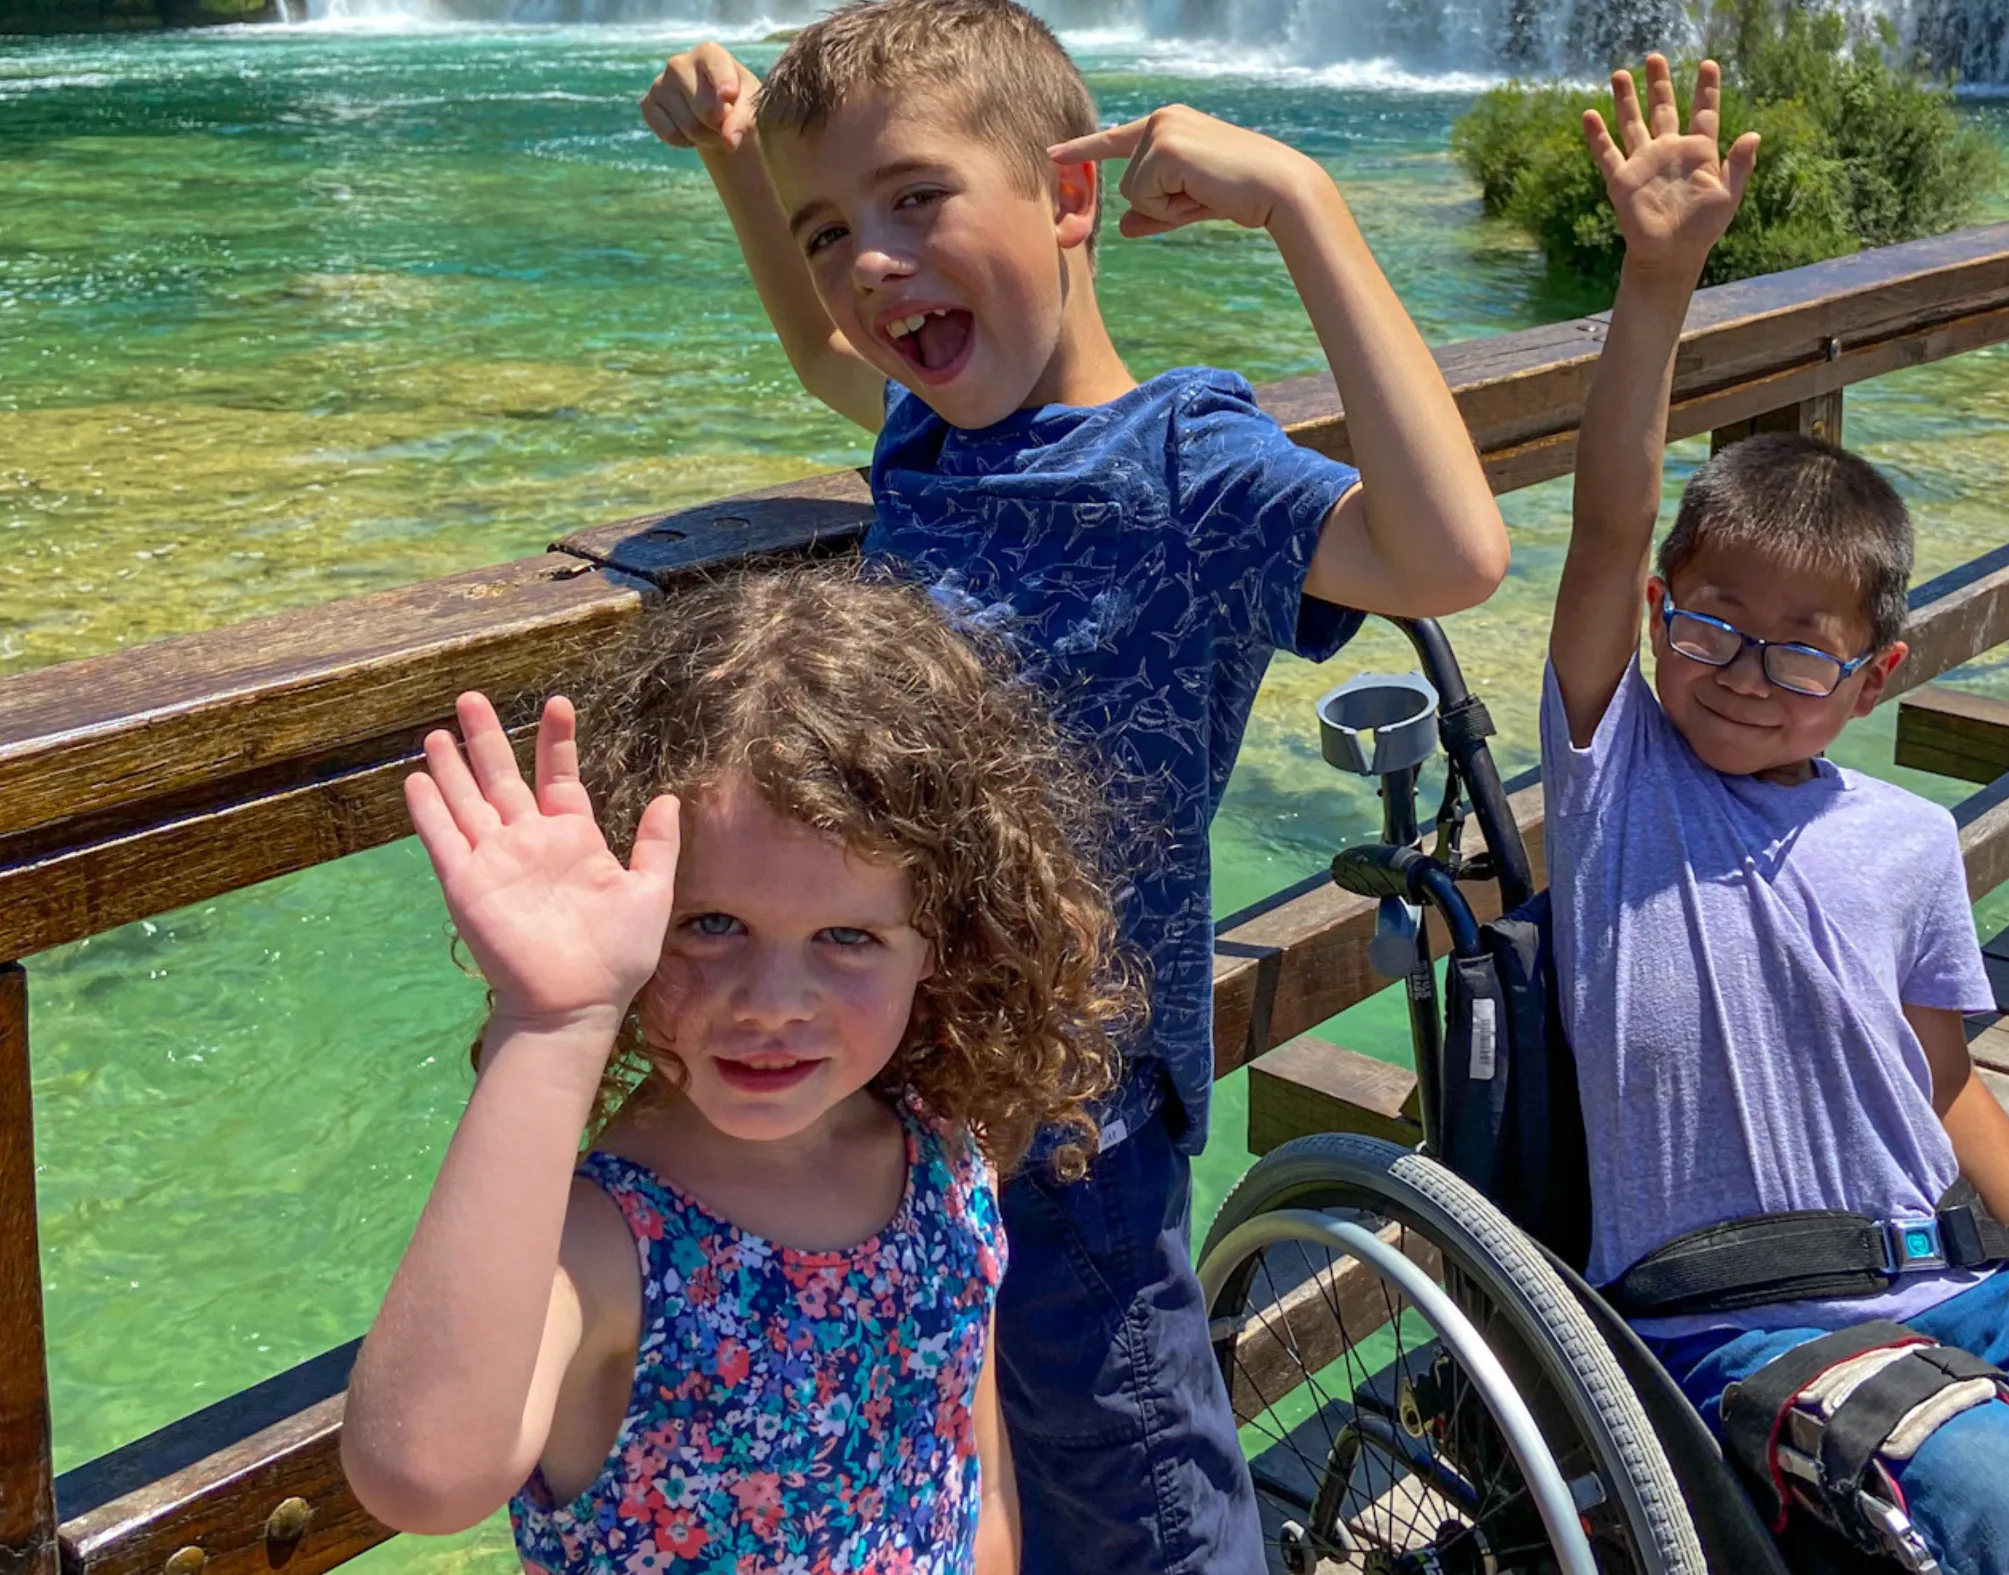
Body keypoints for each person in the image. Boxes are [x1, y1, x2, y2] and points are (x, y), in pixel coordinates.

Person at [637, 5, 1511, 1570]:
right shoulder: (927, 432)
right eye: (834, 227)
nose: (869, 262)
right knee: (950, 1492)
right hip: (893, 1102)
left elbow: (1449, 552)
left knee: (1137, 1502)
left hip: (1073, 1125)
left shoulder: (1191, 460)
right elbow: (816, 346)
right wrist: (734, 163)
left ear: (1067, 198)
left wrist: (1297, 203)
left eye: (916, 199)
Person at [1545, 55, 2009, 1575]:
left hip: (1953, 1280)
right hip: (1725, 1313)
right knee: (2003, 1507)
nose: (1745, 670)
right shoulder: (1617, 772)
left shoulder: (1904, 840)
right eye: (1711, 622)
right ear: (1661, 613)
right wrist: (1656, 277)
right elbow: (1609, 513)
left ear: (1872, 675)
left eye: (1800, 645)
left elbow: (1939, 1087)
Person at [339, 568, 1132, 1575]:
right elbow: (421, 1475)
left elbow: (964, 1467)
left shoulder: (936, 1142)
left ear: (942, 938)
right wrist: (553, 1022)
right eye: (710, 926)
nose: (770, 1001)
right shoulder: (607, 1240)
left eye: (846, 937)